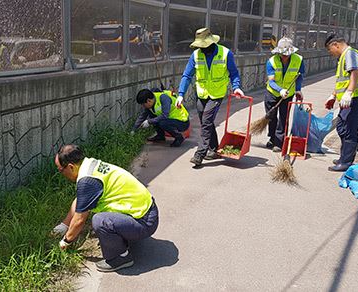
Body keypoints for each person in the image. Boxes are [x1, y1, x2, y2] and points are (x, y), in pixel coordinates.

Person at [52, 145, 159, 272]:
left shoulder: (87, 181)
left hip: (145, 222)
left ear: (70, 167)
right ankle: (123, 235)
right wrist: (64, 225)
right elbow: (81, 200)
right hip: (146, 211)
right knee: (101, 219)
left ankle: (121, 258)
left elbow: (80, 219)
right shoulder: (90, 165)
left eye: (60, 170)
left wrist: (66, 241)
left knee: (100, 221)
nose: (61, 173)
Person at [174, 28, 245, 166]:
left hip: (217, 94)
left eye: (203, 45)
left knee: (206, 121)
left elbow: (234, 73)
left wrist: (236, 87)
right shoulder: (195, 55)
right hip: (201, 94)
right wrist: (181, 94)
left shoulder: (225, 54)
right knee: (206, 121)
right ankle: (214, 149)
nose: (201, 48)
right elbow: (187, 75)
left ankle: (200, 154)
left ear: (211, 43)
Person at [324, 34, 358, 172]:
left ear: (335, 45)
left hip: (354, 100)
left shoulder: (349, 54)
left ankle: (346, 162)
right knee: (342, 127)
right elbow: (342, 81)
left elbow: (354, 73)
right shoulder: (344, 56)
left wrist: (349, 92)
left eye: (330, 50)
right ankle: (343, 157)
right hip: (348, 100)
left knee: (348, 130)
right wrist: (333, 95)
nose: (331, 53)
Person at [265, 37, 306, 152]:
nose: (285, 56)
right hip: (272, 93)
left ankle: (279, 142)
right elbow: (271, 81)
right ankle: (272, 138)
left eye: (287, 54)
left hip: (288, 93)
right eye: (283, 54)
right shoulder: (271, 62)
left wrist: (298, 90)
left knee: (284, 118)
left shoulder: (299, 60)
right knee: (271, 117)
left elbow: (299, 76)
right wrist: (280, 90)